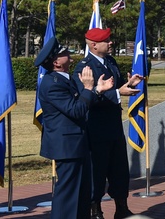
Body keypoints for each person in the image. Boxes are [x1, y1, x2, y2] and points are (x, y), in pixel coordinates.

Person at [37, 37, 114, 219]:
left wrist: (96, 90)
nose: (68, 55)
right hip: (66, 146)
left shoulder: (64, 79)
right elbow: (76, 110)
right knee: (68, 195)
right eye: (63, 53)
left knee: (81, 193)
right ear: (56, 62)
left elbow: (79, 104)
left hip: (77, 143)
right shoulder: (52, 83)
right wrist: (88, 88)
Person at [73, 27, 143, 219]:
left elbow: (116, 88)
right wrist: (119, 93)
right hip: (96, 127)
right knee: (97, 170)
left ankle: (122, 208)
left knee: (119, 169)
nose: (111, 42)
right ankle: (95, 210)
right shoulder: (84, 68)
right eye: (107, 40)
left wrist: (129, 85)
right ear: (94, 45)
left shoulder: (110, 62)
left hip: (113, 125)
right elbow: (87, 98)